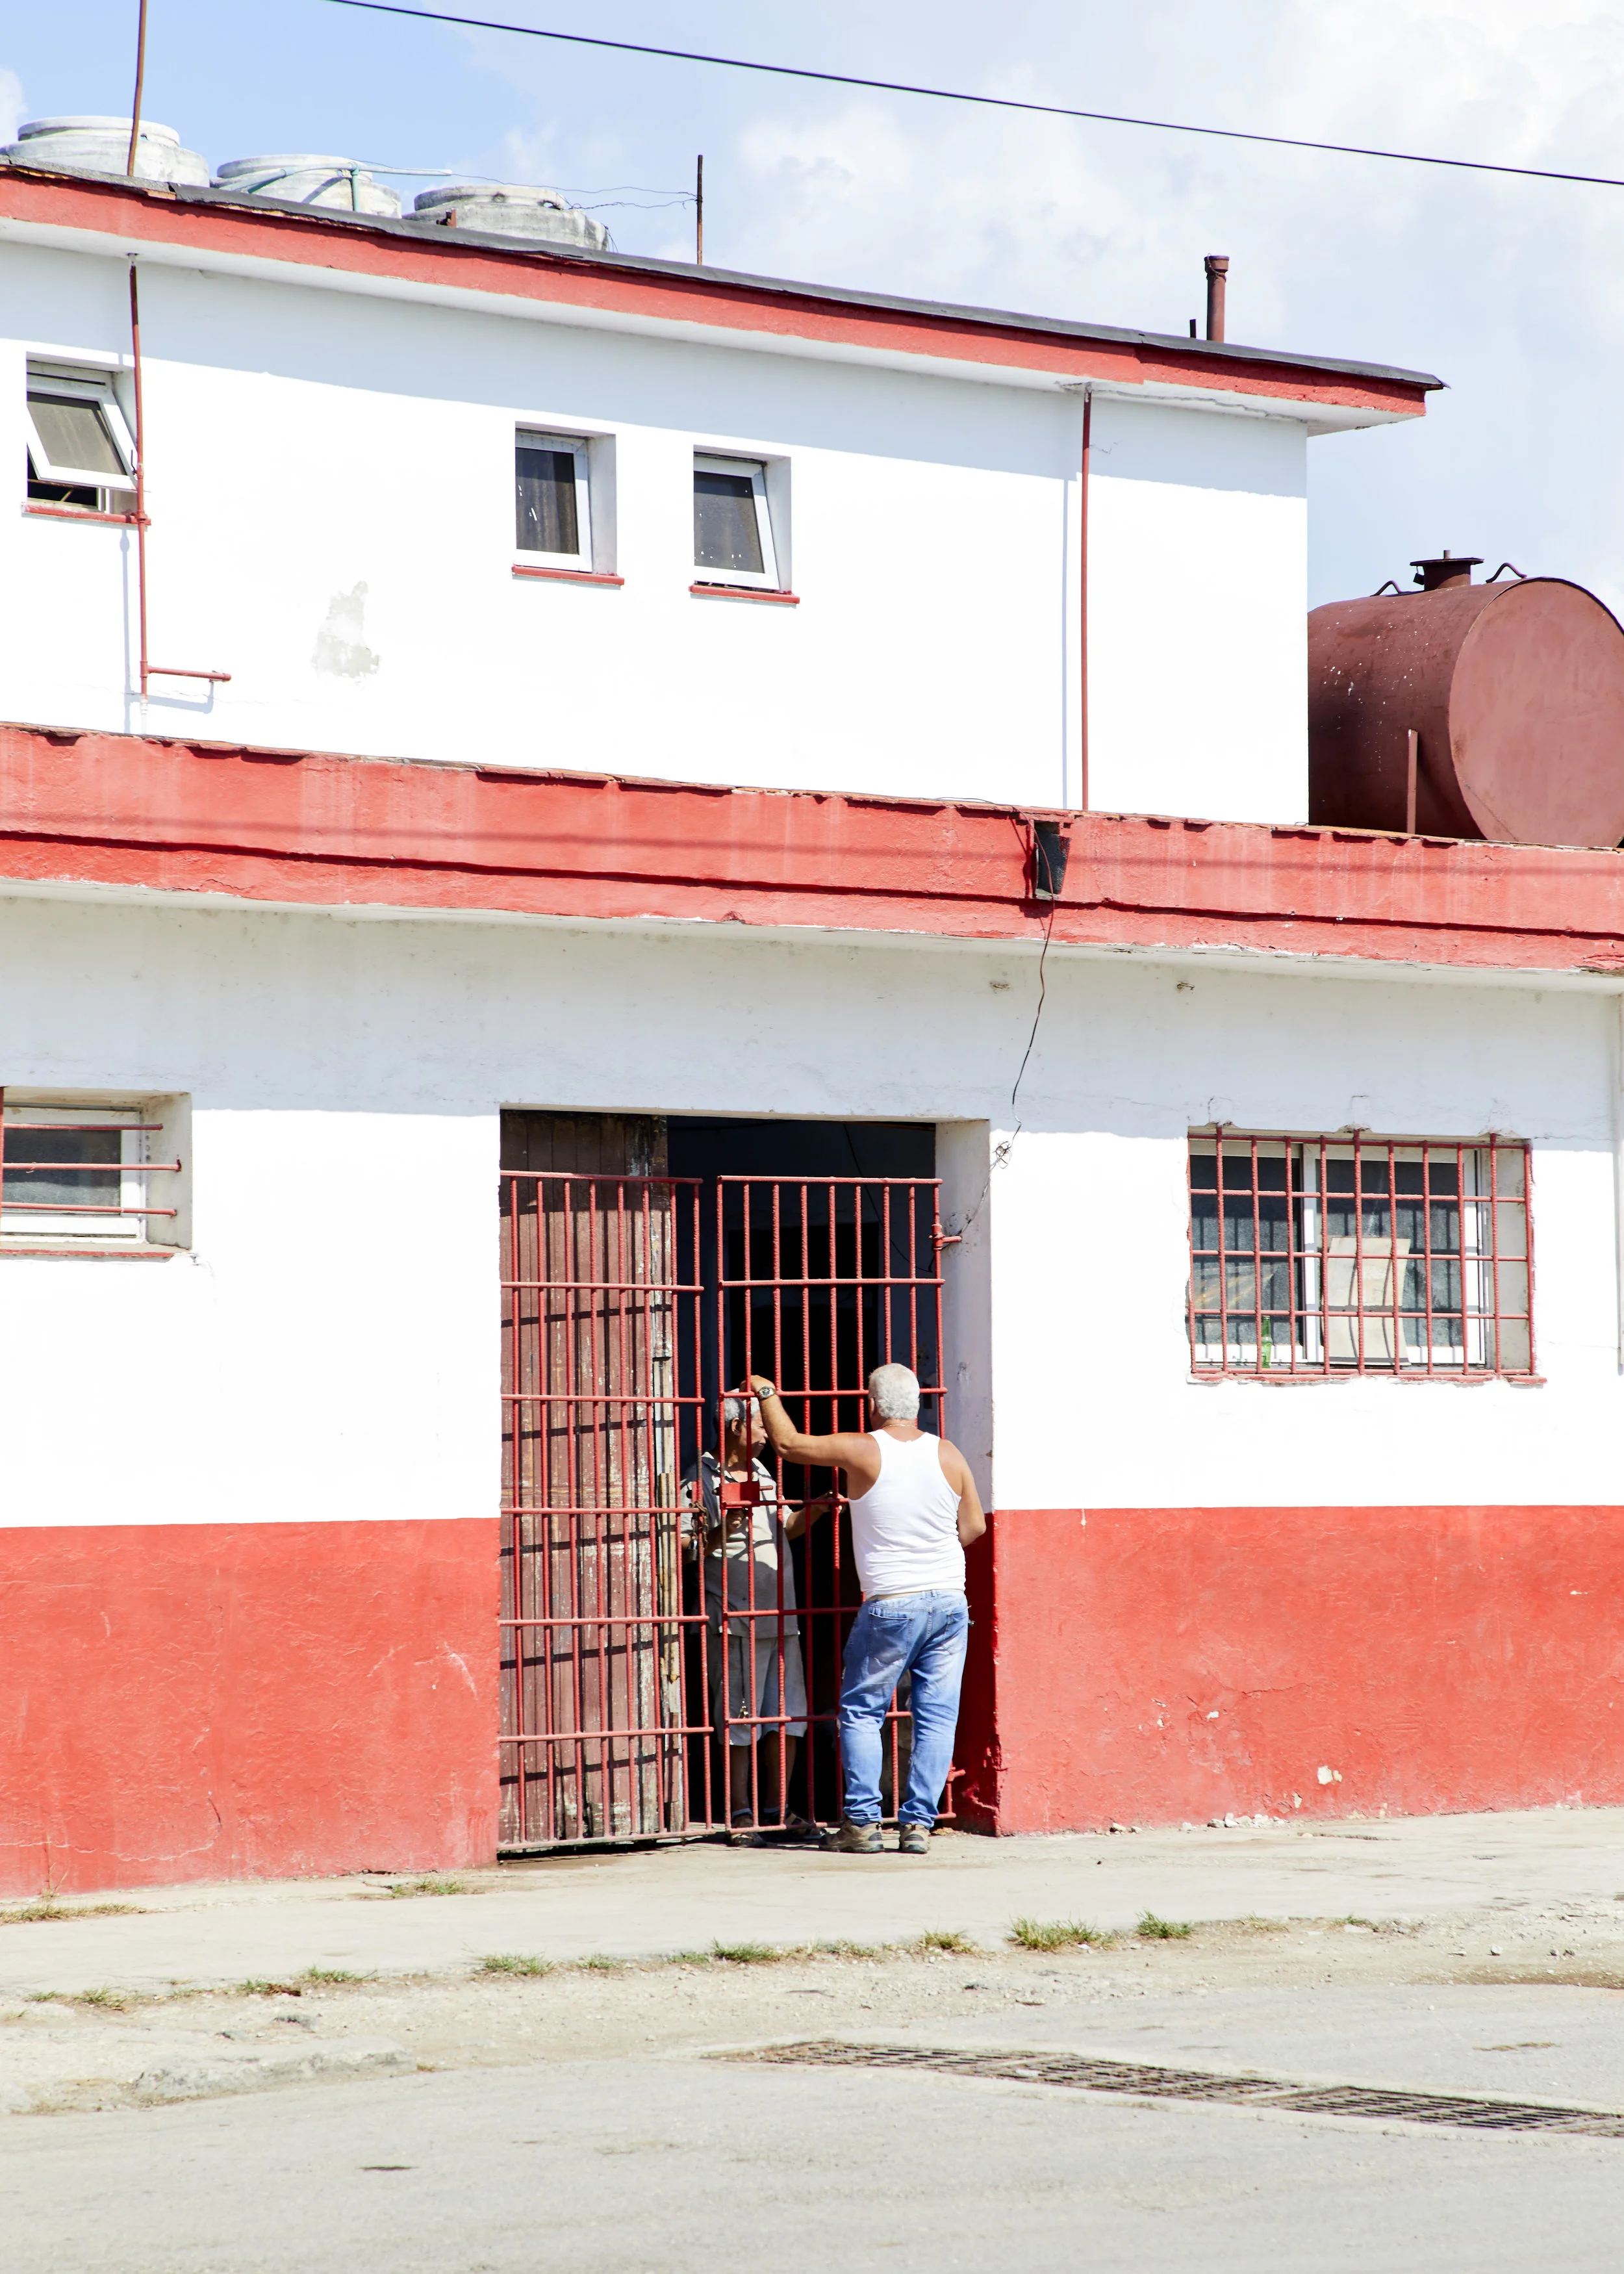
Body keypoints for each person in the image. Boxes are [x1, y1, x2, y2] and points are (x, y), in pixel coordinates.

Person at [747, 1361, 985, 1856]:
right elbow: (975, 1527)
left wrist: (765, 1390)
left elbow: (790, 1445)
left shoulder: (864, 1447)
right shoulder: (948, 1453)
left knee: (860, 1710)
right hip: (949, 1600)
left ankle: (861, 1823)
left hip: (893, 1602)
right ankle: (917, 1826)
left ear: (872, 1405)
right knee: (937, 1717)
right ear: (918, 1403)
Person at [683, 1394, 826, 1843]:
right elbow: (684, 1551)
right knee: (739, 1718)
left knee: (787, 1716)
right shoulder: (699, 1479)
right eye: (762, 1426)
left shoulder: (764, 1472)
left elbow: (785, 1526)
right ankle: (742, 1815)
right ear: (734, 1428)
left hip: (780, 1615)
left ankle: (778, 1811)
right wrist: (724, 1528)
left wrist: (816, 1510)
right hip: (735, 1616)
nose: (769, 1434)